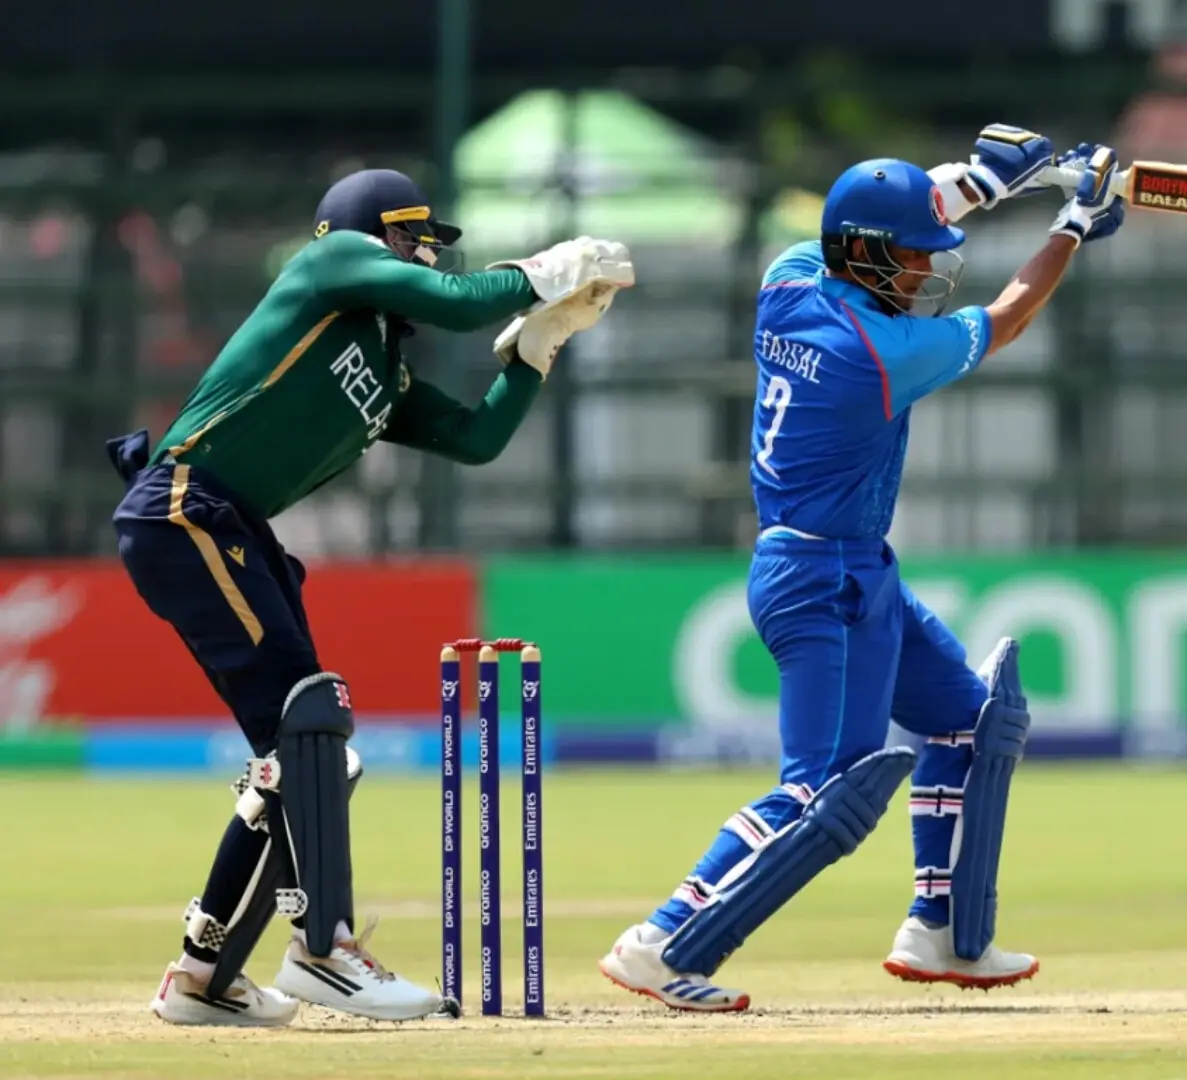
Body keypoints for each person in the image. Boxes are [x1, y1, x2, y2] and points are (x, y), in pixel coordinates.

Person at [599, 127, 1127, 1011]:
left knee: (972, 724)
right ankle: (659, 941)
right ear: (870, 256)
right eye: (914, 257)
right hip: (822, 583)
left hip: (851, 568)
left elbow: (891, 221)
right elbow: (1009, 317)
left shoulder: (788, 280)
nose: (927, 270)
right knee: (823, 791)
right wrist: (1071, 224)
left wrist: (985, 181)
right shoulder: (877, 352)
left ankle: (940, 931)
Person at [108, 168, 630, 1027]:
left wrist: (535, 349)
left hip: (229, 524)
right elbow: (457, 301)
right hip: (184, 506)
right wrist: (543, 271)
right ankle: (322, 952)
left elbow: (475, 439)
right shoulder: (328, 265)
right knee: (308, 736)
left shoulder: (385, 371)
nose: (426, 255)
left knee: (311, 755)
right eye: (415, 237)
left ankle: (204, 978)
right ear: (373, 231)